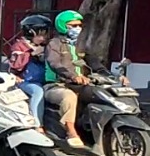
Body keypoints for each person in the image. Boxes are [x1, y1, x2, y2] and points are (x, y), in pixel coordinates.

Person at [44, 9, 106, 148]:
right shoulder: (54, 44)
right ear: (62, 26)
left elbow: (95, 63)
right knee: (69, 97)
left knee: (100, 95)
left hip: (80, 85)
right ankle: (70, 132)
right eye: (73, 25)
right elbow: (55, 64)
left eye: (79, 25)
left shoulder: (81, 45)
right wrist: (73, 76)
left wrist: (113, 76)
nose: (77, 28)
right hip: (56, 85)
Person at [8, 14, 52, 127]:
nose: (45, 37)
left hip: (45, 80)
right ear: (30, 32)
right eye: (41, 34)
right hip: (25, 81)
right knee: (38, 92)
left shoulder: (47, 46)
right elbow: (16, 66)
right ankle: (37, 123)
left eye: (46, 34)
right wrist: (30, 54)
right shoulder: (20, 47)